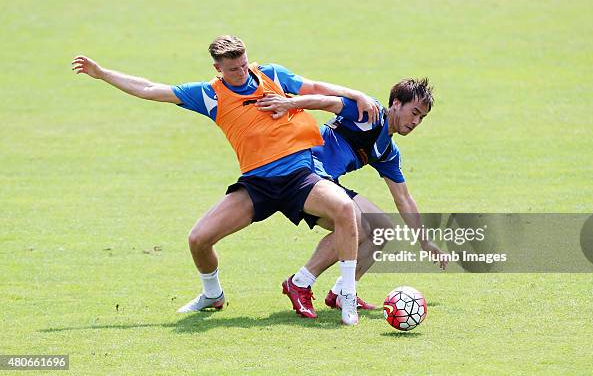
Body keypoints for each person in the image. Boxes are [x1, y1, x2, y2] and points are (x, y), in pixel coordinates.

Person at [71, 35, 380, 326]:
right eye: (233, 69)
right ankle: (212, 295)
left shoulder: (271, 74)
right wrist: (102, 74)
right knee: (198, 239)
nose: (241, 72)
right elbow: (151, 88)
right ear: (217, 68)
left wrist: (356, 94)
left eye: (244, 64)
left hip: (299, 175)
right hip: (257, 182)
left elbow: (314, 85)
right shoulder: (208, 94)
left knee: (344, 209)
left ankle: (347, 295)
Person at [255, 79, 448, 317]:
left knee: (382, 228)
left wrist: (424, 241)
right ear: (396, 104)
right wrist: (289, 103)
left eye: (422, 118)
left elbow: (404, 198)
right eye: (414, 112)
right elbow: (327, 102)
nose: (416, 121)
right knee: (355, 224)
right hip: (303, 174)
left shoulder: (387, 151)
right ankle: (300, 282)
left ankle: (341, 292)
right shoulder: (370, 112)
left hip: (328, 184)